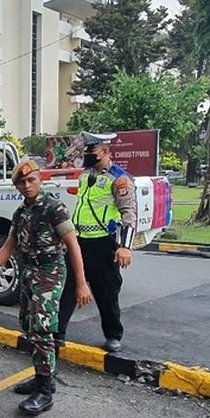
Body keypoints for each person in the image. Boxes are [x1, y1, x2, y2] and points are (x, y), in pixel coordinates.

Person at [0, 160, 92, 415]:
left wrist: (81, 283)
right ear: (16, 186)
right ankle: (40, 377)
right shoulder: (21, 212)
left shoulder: (54, 208)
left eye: (31, 180)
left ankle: (45, 391)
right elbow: (8, 247)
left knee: (41, 329)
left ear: (40, 180)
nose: (27, 186)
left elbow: (73, 246)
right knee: (28, 326)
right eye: (22, 182)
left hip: (49, 272)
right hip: (29, 272)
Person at [56, 132, 136, 353]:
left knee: (106, 292)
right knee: (68, 288)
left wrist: (125, 246)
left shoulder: (119, 178)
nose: (88, 156)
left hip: (103, 244)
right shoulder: (85, 175)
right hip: (80, 242)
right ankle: (58, 333)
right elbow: (80, 207)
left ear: (105, 152)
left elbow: (129, 213)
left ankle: (113, 335)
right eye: (86, 152)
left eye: (92, 152)